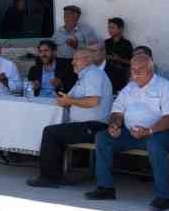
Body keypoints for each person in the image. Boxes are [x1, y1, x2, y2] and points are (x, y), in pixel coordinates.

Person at [84, 54, 169, 210]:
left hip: (160, 132)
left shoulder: (164, 86)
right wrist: (114, 125)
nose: (135, 73)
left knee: (155, 145)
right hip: (133, 133)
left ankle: (163, 197)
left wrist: (149, 130)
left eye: (140, 69)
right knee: (103, 137)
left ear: (151, 69)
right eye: (133, 69)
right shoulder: (129, 88)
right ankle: (105, 188)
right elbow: (117, 111)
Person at [28, 46, 114, 187]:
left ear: (87, 60)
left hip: (95, 126)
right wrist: (64, 99)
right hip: (84, 124)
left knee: (51, 132)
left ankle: (50, 178)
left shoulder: (94, 74)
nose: (72, 63)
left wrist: (69, 101)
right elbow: (69, 98)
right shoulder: (83, 77)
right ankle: (56, 175)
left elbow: (93, 101)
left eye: (76, 59)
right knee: (52, 130)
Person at [53, 6, 100, 93]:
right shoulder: (59, 32)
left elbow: (95, 50)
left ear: (77, 16)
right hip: (61, 64)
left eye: (68, 15)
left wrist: (77, 46)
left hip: (79, 64)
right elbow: (52, 48)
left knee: (76, 90)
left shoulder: (86, 30)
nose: (65, 18)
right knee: (59, 91)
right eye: (64, 15)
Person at [101, 18, 133, 93]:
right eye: (109, 27)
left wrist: (119, 59)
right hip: (106, 74)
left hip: (121, 76)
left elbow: (131, 62)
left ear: (121, 29)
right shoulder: (106, 42)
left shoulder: (127, 44)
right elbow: (101, 57)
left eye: (112, 27)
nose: (110, 30)